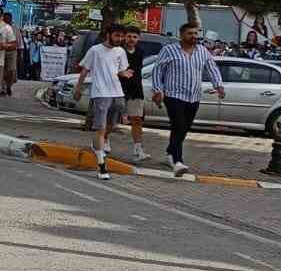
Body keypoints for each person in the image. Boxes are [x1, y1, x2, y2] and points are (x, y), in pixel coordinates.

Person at [149, 22, 225, 177]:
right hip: (173, 95)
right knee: (178, 125)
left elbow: (212, 68)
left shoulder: (203, 51)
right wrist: (158, 90)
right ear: (181, 35)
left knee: (184, 128)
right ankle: (178, 161)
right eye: (190, 33)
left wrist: (219, 85)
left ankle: (170, 152)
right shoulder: (169, 50)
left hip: (194, 96)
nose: (194, 36)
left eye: (196, 33)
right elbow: (158, 71)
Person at [74, 25, 131, 180]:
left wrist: (125, 74)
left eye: (121, 36)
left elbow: (120, 70)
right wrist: (78, 89)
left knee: (111, 125)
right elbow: (85, 70)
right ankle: (101, 165)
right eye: (117, 36)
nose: (119, 39)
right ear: (108, 35)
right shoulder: (95, 50)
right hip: (100, 93)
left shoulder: (120, 52)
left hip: (117, 93)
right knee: (101, 128)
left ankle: (100, 142)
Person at [119, 24, 150, 162]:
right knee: (111, 118)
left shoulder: (140, 51)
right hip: (118, 88)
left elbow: (136, 70)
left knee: (137, 119)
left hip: (136, 89)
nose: (131, 39)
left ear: (139, 39)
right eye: (129, 36)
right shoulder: (118, 51)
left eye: (134, 37)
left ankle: (138, 149)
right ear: (124, 37)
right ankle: (103, 142)